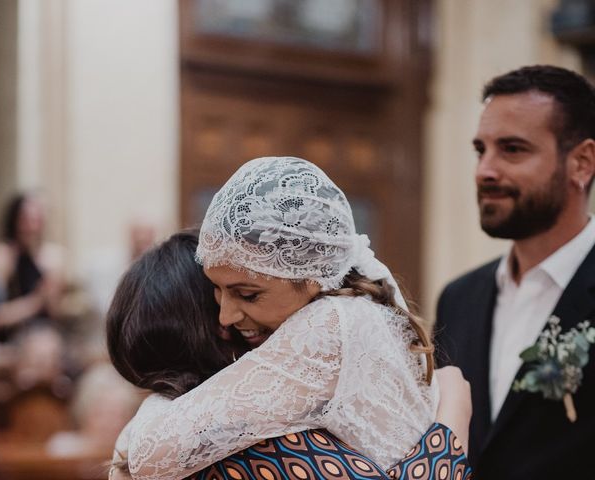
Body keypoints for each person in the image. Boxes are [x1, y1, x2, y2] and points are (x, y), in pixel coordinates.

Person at [124, 157, 472, 479]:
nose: (227, 315)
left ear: (312, 275)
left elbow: (149, 455)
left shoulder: (329, 327)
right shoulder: (360, 309)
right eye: (217, 290)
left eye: (247, 294)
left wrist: (157, 399)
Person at [435, 65, 595, 479]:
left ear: (581, 163)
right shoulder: (458, 298)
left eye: (512, 149)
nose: (485, 170)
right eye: (480, 149)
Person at [0, 192, 66, 342]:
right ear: (15, 221)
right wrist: (36, 302)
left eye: (37, 220)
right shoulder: (2, 256)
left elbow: (56, 316)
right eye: (26, 220)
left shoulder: (51, 259)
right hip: (13, 340)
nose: (32, 227)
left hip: (46, 337)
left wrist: (52, 294)